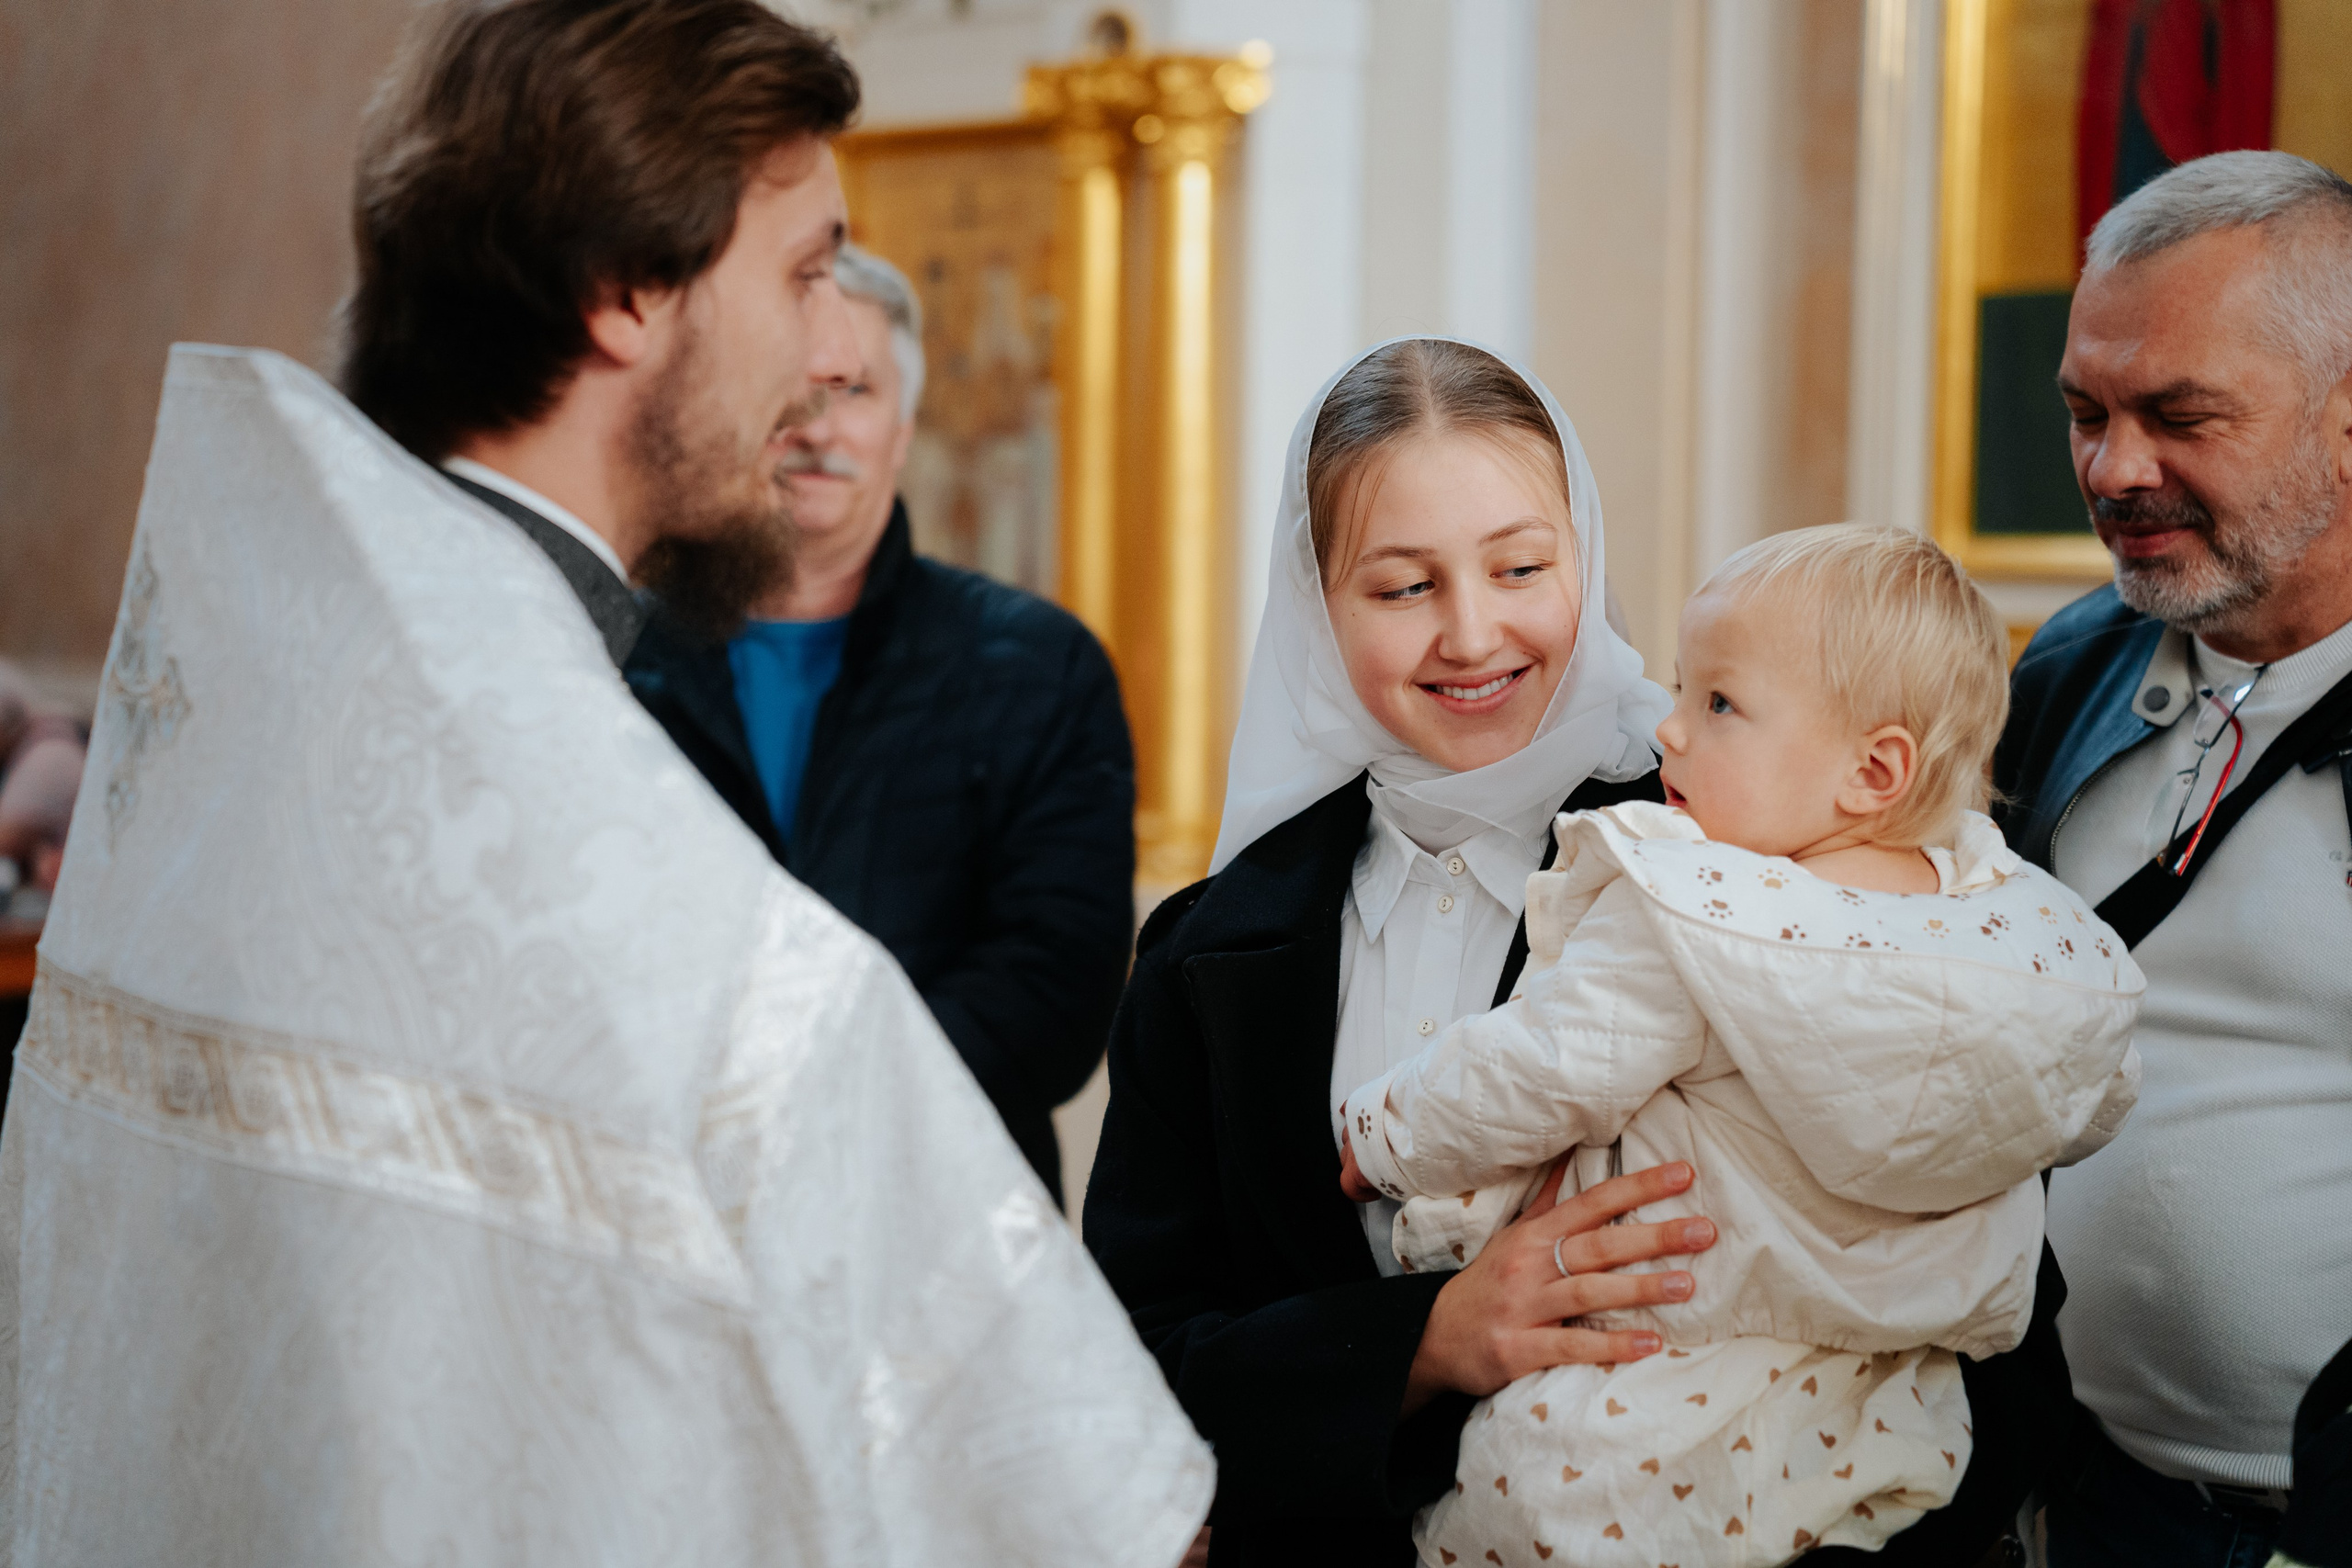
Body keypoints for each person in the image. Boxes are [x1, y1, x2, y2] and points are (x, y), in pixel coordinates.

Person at [0, 5, 1214, 1563]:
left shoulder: (246, 715)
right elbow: (1094, 1512)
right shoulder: (703, 946)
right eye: (801, 268)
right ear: (630, 292)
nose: (823, 342)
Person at [1084, 337, 2078, 1567]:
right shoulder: (1211, 950)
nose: (1472, 631)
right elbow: (1124, 1366)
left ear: (1584, 555)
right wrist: (1428, 1337)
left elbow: (2000, 1315)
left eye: (1520, 566)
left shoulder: (1772, 847)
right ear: (1315, 599)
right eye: (1402, 586)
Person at [1337, 525, 2143, 1566]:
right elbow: (2098, 1092)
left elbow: (1540, 1066)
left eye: (1718, 704)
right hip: (1884, 1415)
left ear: (1872, 769)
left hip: (1650, 1408)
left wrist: (1387, 1135)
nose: (1668, 731)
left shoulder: (1705, 911)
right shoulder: (2031, 940)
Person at [1996, 150, 2352, 1564]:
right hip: (2082, 1507)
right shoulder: (2067, 668)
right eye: (2086, 410)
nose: (2113, 468)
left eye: (2179, 414)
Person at [628, 245, 1134, 1201]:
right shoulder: (611, 656)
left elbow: (1054, 995)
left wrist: (807, 1103)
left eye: (853, 391)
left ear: (903, 429)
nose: (818, 429)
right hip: (669, 1205)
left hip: (943, 1215)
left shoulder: (1039, 667)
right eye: (788, 392)